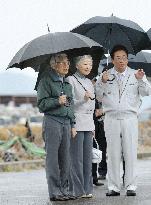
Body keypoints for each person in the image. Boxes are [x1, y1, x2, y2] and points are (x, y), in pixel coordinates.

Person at [95, 44, 151, 197]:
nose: (121, 61)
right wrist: (103, 82)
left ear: (127, 59)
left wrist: (141, 80)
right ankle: (113, 187)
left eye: (124, 58)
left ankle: (131, 185)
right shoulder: (105, 75)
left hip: (129, 118)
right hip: (111, 118)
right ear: (112, 60)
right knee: (112, 153)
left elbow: (146, 92)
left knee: (130, 152)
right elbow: (98, 96)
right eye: (118, 58)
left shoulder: (136, 74)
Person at [36, 53, 77, 202]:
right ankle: (54, 191)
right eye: (62, 62)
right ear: (54, 65)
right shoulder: (45, 81)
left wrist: (73, 124)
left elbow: (71, 106)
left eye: (68, 62)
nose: (67, 65)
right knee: (52, 160)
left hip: (66, 123)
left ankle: (64, 190)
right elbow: (41, 105)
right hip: (52, 122)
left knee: (66, 159)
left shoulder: (67, 84)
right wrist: (56, 101)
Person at [67, 55, 95, 198]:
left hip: (89, 124)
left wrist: (93, 126)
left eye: (90, 64)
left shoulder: (90, 82)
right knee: (76, 159)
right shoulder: (70, 80)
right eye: (85, 64)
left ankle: (87, 189)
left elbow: (92, 105)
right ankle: (77, 190)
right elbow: (69, 104)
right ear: (77, 65)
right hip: (77, 123)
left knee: (87, 159)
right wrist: (82, 99)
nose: (88, 66)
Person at [92, 99, 107, 184]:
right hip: (91, 125)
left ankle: (101, 173)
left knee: (101, 150)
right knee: (92, 151)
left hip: (101, 126)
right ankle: (93, 177)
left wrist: (102, 112)